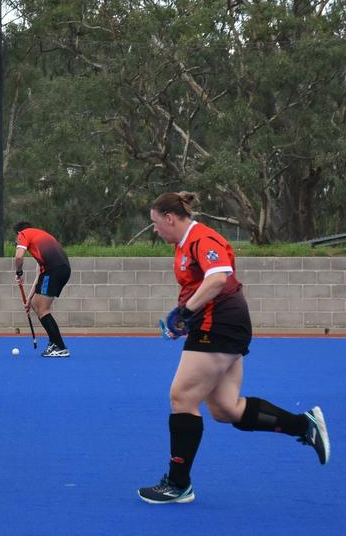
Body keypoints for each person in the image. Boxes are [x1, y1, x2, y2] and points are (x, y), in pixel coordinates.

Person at [138, 192, 328, 505]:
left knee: (182, 397)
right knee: (225, 408)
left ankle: (178, 483)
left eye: (156, 224)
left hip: (222, 323)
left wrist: (185, 313)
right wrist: (184, 318)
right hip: (216, 323)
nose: (156, 230)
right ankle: (304, 425)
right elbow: (199, 286)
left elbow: (217, 278)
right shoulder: (184, 244)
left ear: (170, 218)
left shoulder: (203, 238)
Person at [12, 221, 71, 357]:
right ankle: (53, 342)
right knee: (35, 304)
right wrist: (28, 300)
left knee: (43, 309)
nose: (17, 241)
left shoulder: (23, 234)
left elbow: (19, 257)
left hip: (53, 271)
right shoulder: (41, 236)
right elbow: (40, 276)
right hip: (62, 270)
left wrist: (19, 272)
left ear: (18, 233)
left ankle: (61, 347)